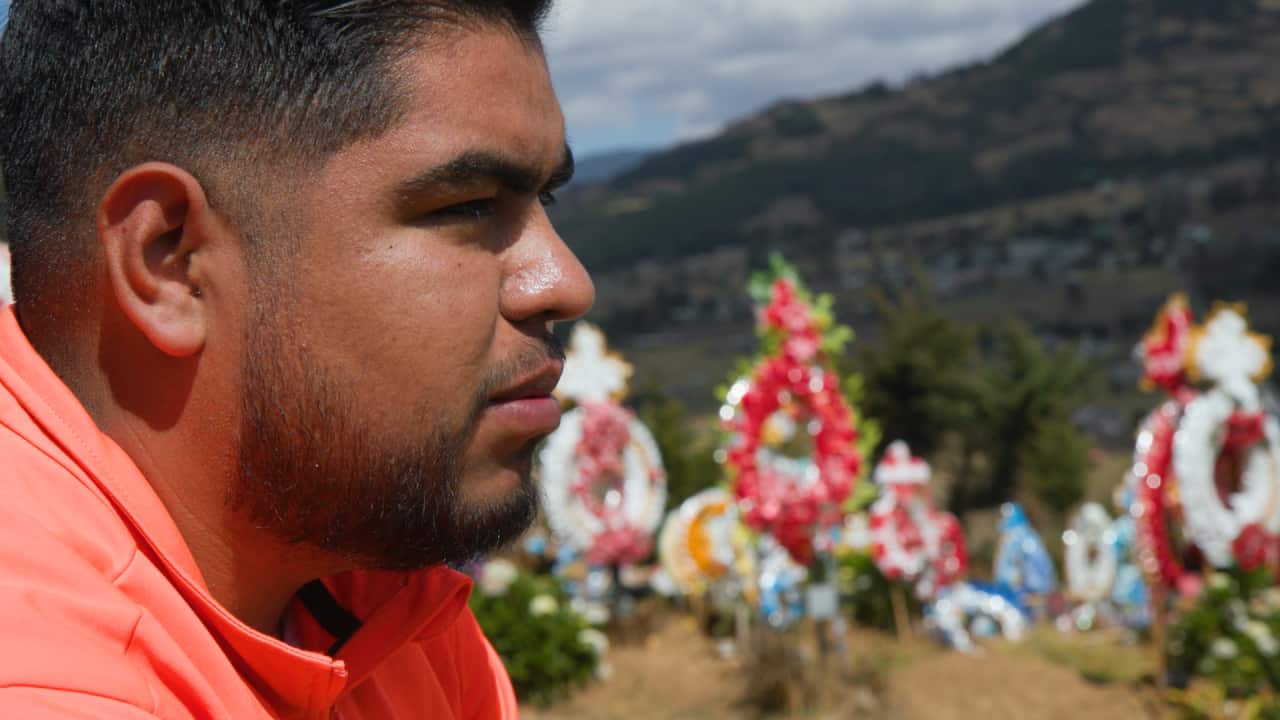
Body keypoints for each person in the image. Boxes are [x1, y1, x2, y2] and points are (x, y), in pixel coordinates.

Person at [0, 1, 593, 718]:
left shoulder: (385, 609)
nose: (565, 283)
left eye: (547, 197)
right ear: (172, 261)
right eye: (467, 206)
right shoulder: (43, 680)